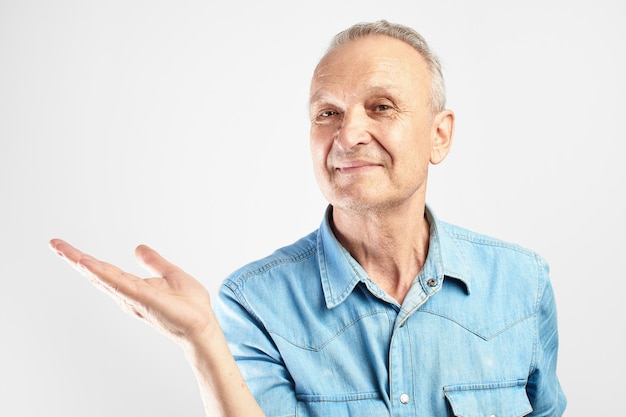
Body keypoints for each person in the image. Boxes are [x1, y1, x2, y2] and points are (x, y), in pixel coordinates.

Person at [50, 20, 566, 417]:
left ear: (440, 134)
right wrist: (201, 340)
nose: (349, 134)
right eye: (328, 113)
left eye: (381, 107)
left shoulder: (523, 284)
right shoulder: (254, 304)